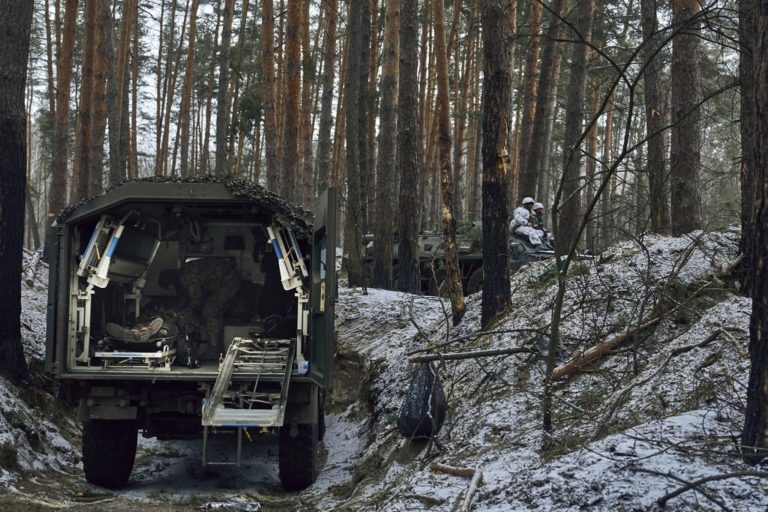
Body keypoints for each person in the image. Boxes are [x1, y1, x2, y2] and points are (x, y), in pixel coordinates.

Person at [159, 258, 243, 356]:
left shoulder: (187, 277)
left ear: (171, 282)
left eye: (169, 287)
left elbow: (197, 299)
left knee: (210, 311)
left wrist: (186, 311)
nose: (172, 289)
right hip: (225, 281)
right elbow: (187, 297)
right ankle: (216, 347)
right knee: (209, 309)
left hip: (229, 282)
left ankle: (215, 349)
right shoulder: (184, 273)